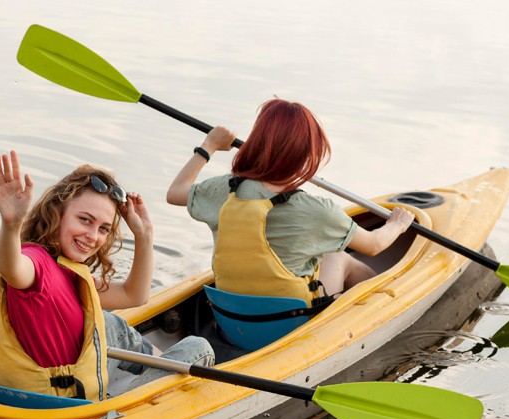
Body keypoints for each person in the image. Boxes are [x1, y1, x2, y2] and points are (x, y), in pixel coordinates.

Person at [0, 150, 213, 401]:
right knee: (198, 348)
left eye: (103, 228)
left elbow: (134, 295)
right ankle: (155, 382)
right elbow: (12, 267)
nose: (93, 235)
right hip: (63, 402)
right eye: (84, 220)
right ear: (56, 213)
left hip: (66, 380)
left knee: (108, 322)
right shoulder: (36, 263)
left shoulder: (65, 268)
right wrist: (11, 224)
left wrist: (144, 235)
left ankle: (154, 366)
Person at [166, 98, 415, 304]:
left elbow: (176, 192)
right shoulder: (319, 211)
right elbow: (373, 245)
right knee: (337, 255)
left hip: (232, 316)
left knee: (328, 252)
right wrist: (398, 224)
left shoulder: (224, 189)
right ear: (308, 155)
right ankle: (384, 306)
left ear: (256, 143)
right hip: (291, 322)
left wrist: (208, 145)